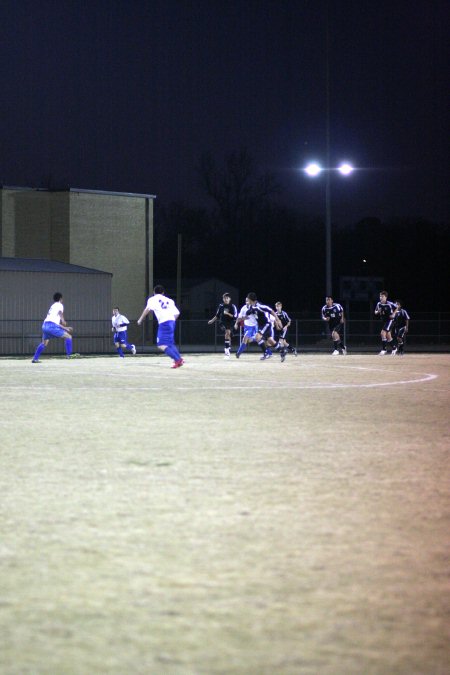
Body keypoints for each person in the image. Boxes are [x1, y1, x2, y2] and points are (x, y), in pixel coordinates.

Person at [137, 285, 184, 368]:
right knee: (170, 343)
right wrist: (171, 321)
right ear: (163, 293)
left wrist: (140, 319)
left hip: (164, 323)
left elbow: (147, 309)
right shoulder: (169, 300)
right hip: (172, 322)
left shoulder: (152, 299)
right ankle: (179, 358)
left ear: (154, 292)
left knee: (161, 344)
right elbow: (177, 313)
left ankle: (177, 360)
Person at [236, 292, 282, 360]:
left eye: (247, 299)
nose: (247, 301)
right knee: (270, 340)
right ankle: (283, 351)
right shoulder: (252, 307)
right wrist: (245, 315)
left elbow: (270, 310)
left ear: (250, 300)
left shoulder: (259, 305)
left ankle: (266, 353)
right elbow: (249, 312)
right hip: (261, 325)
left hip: (265, 324)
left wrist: (278, 320)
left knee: (258, 337)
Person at [32, 292, 75, 362]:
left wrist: (65, 328)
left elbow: (55, 322)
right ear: (61, 299)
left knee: (44, 343)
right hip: (52, 326)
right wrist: (63, 320)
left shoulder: (52, 306)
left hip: (45, 326)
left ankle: (35, 358)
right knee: (68, 337)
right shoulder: (60, 305)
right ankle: (69, 355)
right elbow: (60, 313)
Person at [207, 293, 238, 358]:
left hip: (230, 322)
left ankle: (228, 347)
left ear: (230, 299)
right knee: (227, 332)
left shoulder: (232, 306)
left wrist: (228, 313)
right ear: (223, 299)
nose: (226, 299)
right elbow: (217, 315)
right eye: (224, 298)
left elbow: (235, 316)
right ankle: (227, 351)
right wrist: (212, 321)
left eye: (227, 298)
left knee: (228, 334)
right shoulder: (221, 306)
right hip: (222, 322)